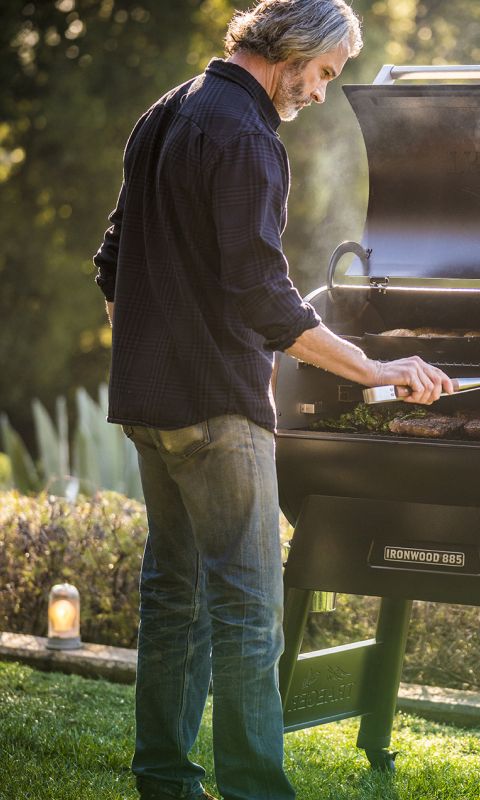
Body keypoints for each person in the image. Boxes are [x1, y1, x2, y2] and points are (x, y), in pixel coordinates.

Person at [92, 2, 453, 798]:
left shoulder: (165, 112)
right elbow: (264, 298)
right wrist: (375, 369)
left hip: (151, 409)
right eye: (325, 73)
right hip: (220, 412)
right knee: (249, 612)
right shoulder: (249, 136)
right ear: (293, 51)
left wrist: (149, 348)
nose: (322, 93)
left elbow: (111, 260)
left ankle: (164, 780)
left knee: (173, 595)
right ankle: (256, 790)